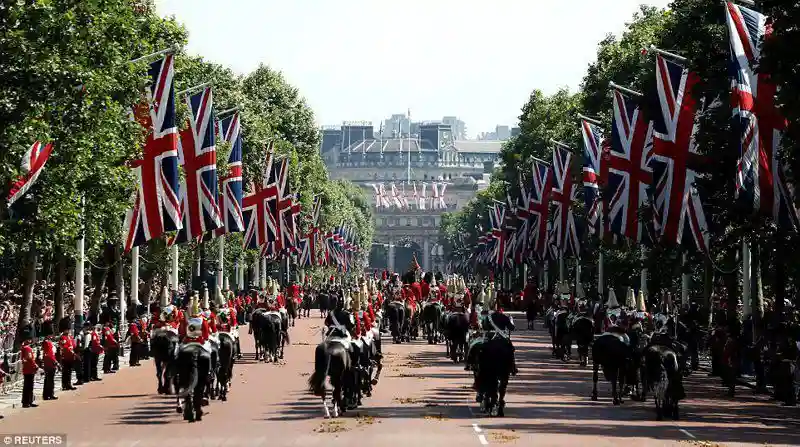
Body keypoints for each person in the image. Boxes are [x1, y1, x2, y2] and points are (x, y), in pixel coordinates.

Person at [20, 325, 39, 408]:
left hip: (28, 369)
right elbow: (29, 358)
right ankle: (27, 401)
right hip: (29, 369)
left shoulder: (24, 347)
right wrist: (35, 365)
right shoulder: (27, 348)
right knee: (28, 386)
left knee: (29, 386)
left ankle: (28, 401)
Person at [58, 321, 77, 391]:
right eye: (67, 329)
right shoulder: (62, 337)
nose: (68, 330)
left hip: (71, 356)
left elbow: (73, 345)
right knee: (65, 372)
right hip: (65, 357)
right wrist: (70, 350)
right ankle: (65, 385)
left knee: (69, 372)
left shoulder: (70, 337)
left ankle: (68, 384)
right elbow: (64, 346)